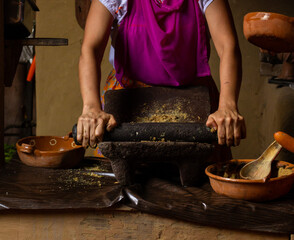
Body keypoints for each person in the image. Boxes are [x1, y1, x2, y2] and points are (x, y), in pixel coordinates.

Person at [76, 0, 246, 153]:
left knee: (205, 177)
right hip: (130, 94)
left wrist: (227, 106)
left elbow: (228, 47)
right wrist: (91, 107)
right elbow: (90, 49)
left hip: (193, 98)